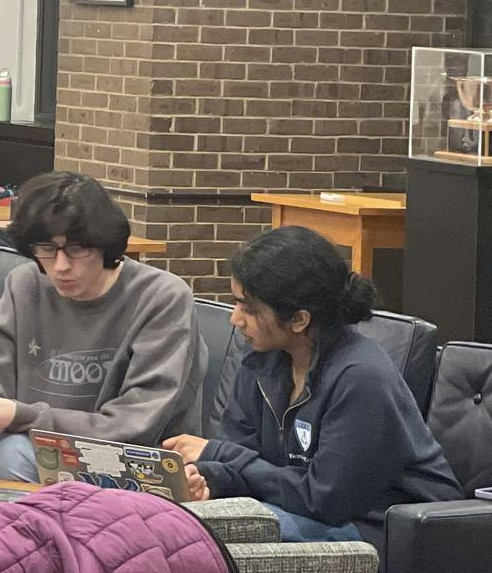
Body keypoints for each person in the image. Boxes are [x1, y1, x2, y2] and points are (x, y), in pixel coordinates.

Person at [0, 172, 204, 482]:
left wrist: (21, 417)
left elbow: (135, 425)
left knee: (14, 450)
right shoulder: (26, 284)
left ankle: (18, 533)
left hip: (130, 466)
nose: (61, 266)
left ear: (104, 245)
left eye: (77, 249)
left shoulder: (161, 297)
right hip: (28, 450)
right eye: (47, 250)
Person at [166, 228, 460, 544]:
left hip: (387, 533)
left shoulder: (360, 378)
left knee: (215, 535)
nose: (235, 319)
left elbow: (321, 500)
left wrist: (219, 453)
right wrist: (208, 480)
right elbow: (242, 458)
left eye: (248, 307)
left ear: (299, 319)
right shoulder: (262, 361)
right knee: (177, 517)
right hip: (304, 511)